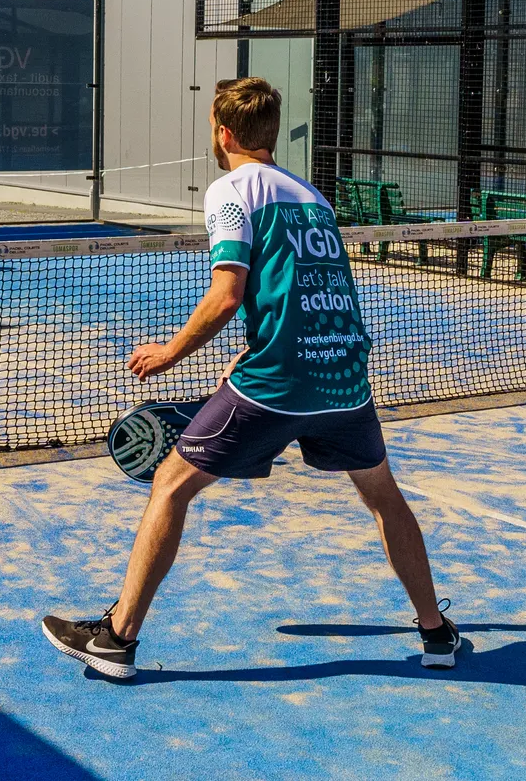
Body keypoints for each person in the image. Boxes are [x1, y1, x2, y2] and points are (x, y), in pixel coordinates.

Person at [41, 77, 458, 679]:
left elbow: (228, 292)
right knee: (382, 496)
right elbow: (306, 287)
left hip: (281, 379)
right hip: (344, 377)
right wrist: (255, 349)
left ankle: (116, 639)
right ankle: (436, 632)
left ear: (224, 133)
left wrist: (171, 353)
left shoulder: (231, 190)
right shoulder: (312, 195)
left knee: (169, 485)